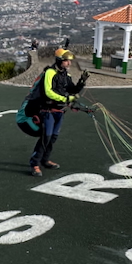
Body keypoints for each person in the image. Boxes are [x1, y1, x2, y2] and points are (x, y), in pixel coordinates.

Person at [27, 48, 87, 177]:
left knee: (53, 137)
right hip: (47, 111)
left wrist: (81, 82)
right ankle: (34, 163)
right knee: (46, 137)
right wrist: (65, 99)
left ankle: (45, 160)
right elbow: (48, 92)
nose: (69, 63)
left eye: (69, 61)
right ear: (60, 61)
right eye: (66, 61)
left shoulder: (66, 75)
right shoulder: (50, 72)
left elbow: (72, 90)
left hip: (59, 111)